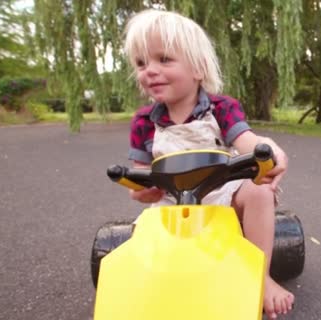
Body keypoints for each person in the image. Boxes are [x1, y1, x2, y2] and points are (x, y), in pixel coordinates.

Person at [123, 9, 294, 319]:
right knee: (138, 245)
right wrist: (141, 190)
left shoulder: (220, 109)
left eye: (163, 59)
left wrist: (271, 151)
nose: (149, 70)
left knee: (259, 192)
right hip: (170, 203)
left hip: (221, 194)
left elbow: (247, 141)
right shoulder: (143, 122)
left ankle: (261, 276)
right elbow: (139, 177)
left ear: (198, 68)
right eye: (141, 63)